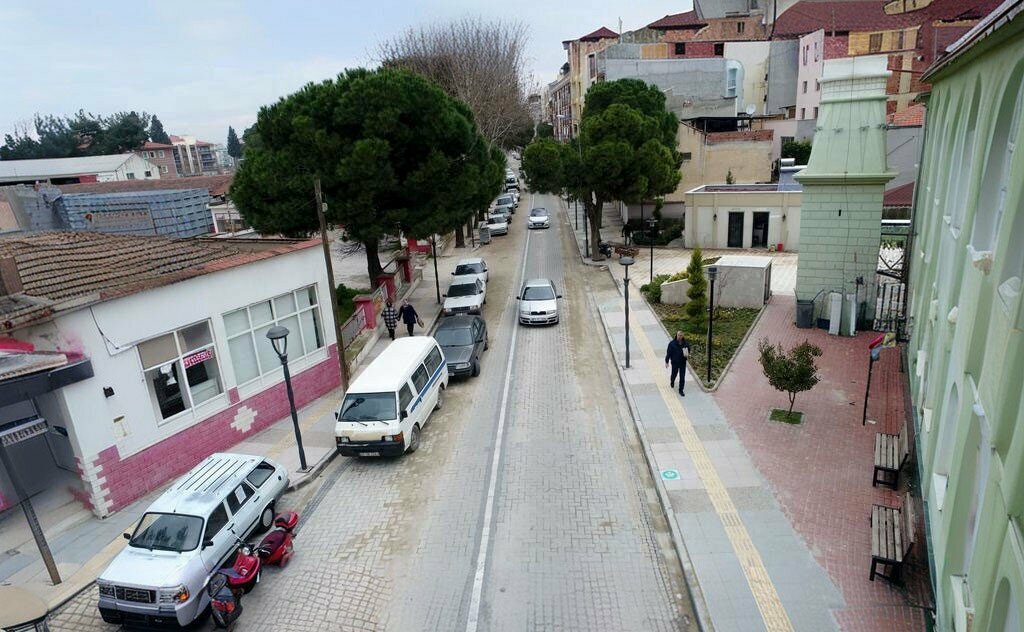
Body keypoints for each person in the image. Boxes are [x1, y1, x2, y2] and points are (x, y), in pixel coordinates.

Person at [665, 331, 691, 396]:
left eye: (681, 335)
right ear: (676, 335)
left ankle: (681, 390)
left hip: (682, 363)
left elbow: (688, 351)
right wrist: (667, 361)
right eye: (678, 335)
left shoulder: (686, 344)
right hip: (675, 363)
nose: (679, 337)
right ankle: (672, 381)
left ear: (683, 336)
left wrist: (687, 355)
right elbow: (668, 353)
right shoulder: (672, 344)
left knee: (682, 377)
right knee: (674, 374)